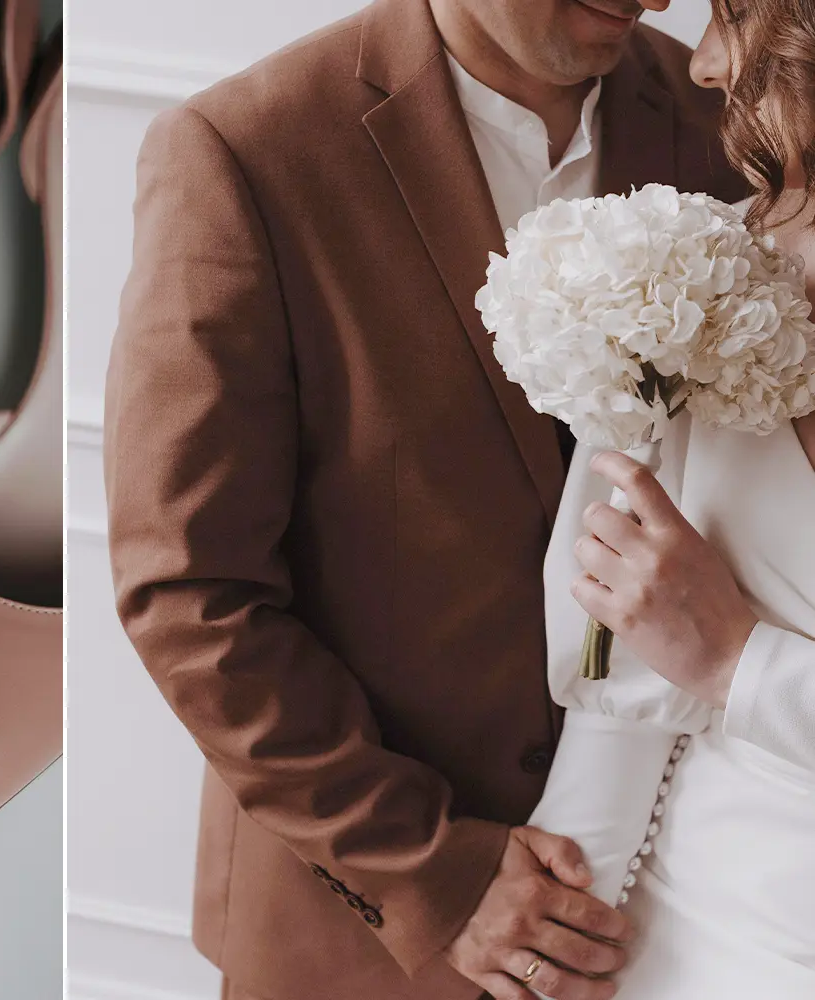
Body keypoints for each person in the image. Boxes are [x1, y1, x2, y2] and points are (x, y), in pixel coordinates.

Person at [103, 1, 746, 999]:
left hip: (676, 911)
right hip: (366, 927)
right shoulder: (243, 151)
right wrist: (435, 874)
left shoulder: (723, 113)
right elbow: (190, 591)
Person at [523, 4, 815, 996]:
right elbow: (621, 686)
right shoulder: (695, 277)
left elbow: (700, 651)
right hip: (682, 934)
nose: (703, 63)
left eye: (745, 16)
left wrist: (743, 662)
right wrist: (556, 934)